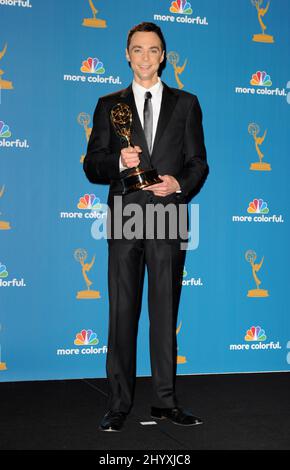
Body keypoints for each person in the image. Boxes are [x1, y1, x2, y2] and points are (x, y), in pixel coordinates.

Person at [83, 22, 208, 432]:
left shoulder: (186, 104)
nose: (145, 58)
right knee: (122, 311)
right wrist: (120, 163)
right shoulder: (108, 105)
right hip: (125, 215)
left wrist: (179, 184)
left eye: (153, 50)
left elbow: (198, 162)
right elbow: (92, 165)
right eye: (137, 50)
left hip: (168, 213)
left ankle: (166, 402)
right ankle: (118, 403)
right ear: (126, 54)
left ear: (163, 56)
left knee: (164, 310)